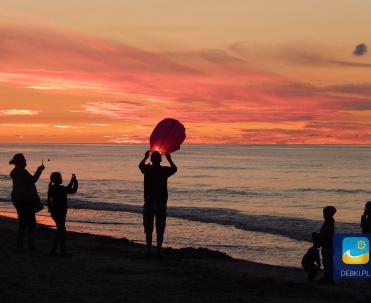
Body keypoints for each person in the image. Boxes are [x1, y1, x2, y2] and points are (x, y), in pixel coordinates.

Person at [139, 150, 177, 259]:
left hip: (150, 202)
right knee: (160, 230)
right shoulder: (163, 171)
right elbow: (174, 169)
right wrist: (169, 159)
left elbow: (140, 165)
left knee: (148, 229)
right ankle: (159, 252)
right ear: (160, 160)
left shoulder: (148, 169)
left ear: (151, 159)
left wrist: (145, 157)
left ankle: (149, 251)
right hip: (160, 203)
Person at [9, 153, 45, 252]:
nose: (26, 161)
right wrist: (39, 170)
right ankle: (29, 246)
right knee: (29, 223)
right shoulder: (20, 171)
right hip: (24, 199)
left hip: (20, 199)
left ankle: (21, 245)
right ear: (20, 161)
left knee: (24, 223)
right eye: (24, 159)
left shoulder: (17, 171)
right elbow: (32, 180)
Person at [47, 172, 78, 257]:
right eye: (60, 177)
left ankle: (62, 251)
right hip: (59, 212)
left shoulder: (53, 188)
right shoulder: (58, 188)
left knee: (61, 231)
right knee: (61, 231)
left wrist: (74, 182)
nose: (61, 179)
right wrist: (73, 181)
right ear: (57, 179)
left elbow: (70, 190)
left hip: (56, 212)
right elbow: (70, 190)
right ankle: (54, 251)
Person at [317, 205, 336, 284]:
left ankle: (329, 278)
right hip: (326, 244)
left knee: (328, 261)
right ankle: (327, 277)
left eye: (325, 213)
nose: (323, 215)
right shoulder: (328, 222)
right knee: (326, 261)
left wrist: (320, 239)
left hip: (328, 245)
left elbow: (326, 235)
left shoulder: (329, 223)